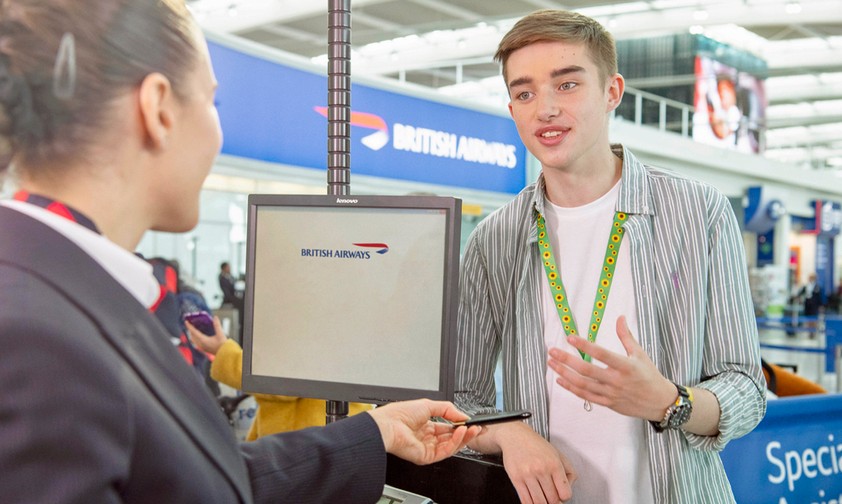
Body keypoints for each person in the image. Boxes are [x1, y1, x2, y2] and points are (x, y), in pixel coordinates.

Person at [0, 1, 482, 502]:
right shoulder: (32, 338)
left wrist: (373, 433)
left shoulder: (62, 298)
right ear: (159, 108)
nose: (216, 132)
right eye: (212, 103)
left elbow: (186, 481)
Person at [454, 9, 766, 504]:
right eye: (524, 93)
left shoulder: (696, 213)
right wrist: (508, 433)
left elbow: (747, 388)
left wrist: (670, 403)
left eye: (567, 85)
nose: (545, 110)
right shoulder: (493, 240)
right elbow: (459, 402)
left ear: (612, 92)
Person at [188, 320, 373, 439]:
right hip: (324, 439)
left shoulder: (305, 331)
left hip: (300, 444)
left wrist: (222, 350)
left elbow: (279, 383)